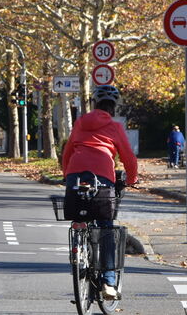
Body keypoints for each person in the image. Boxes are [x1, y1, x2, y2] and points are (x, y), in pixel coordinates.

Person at [62, 84, 138, 300]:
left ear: (94, 103)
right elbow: (128, 157)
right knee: (106, 229)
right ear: (114, 106)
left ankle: (78, 237)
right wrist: (131, 179)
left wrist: (66, 175)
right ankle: (108, 282)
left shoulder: (80, 123)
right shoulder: (114, 127)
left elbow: (67, 152)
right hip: (103, 174)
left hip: (76, 174)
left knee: (80, 213)